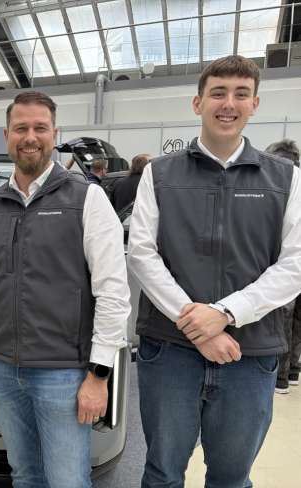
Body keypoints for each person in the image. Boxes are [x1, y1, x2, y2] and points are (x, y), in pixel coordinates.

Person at [127, 55, 301, 488]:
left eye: (241, 94)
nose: (229, 103)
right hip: (170, 351)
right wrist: (196, 325)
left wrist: (224, 313)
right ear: (197, 102)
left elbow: (294, 264)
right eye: (218, 93)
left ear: (255, 104)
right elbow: (142, 254)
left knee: (231, 477)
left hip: (249, 353)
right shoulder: (159, 174)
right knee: (162, 473)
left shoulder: (286, 178)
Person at [0, 91, 130, 488]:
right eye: (21, 128)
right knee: (25, 475)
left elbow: (112, 291)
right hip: (2, 369)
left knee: (67, 480)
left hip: (63, 373)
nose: (30, 137)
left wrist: (99, 375)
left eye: (40, 128)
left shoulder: (86, 198)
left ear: (55, 134)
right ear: (6, 135)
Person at [264, 138, 301, 394]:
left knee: (283, 318)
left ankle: (281, 376)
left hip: (286, 261)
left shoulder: (279, 184)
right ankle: (294, 369)